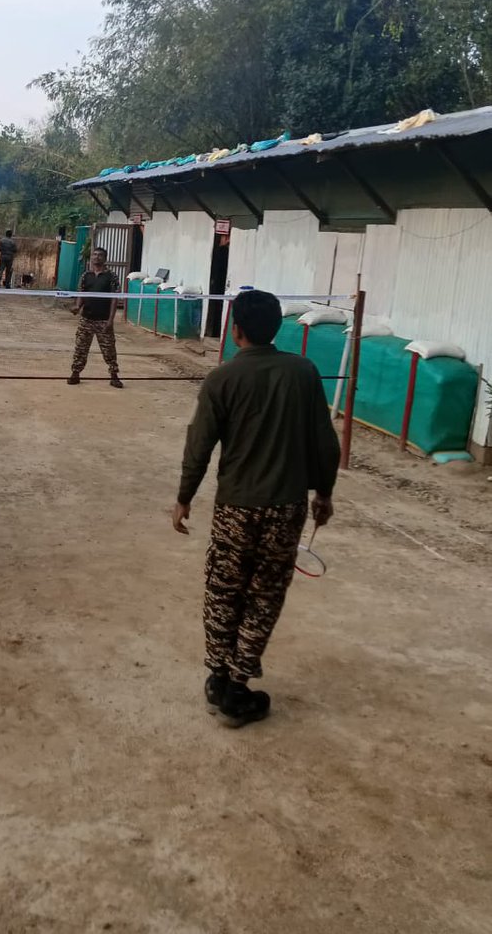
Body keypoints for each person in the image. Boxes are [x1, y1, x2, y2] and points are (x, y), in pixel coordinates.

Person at [171, 289, 340, 728]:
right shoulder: (303, 373)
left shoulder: (222, 379)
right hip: (285, 508)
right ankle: (238, 685)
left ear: (235, 330)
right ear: (277, 327)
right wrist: (323, 493)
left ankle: (218, 677)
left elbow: (199, 445)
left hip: (235, 508)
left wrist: (184, 497)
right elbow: (325, 442)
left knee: (223, 591)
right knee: (264, 596)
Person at [67, 246, 123, 388]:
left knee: (109, 349)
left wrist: (110, 320)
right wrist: (77, 307)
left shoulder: (112, 277)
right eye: (95, 254)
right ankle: (75, 373)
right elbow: (81, 293)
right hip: (86, 319)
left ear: (105, 258)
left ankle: (114, 376)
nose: (97, 257)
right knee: (80, 348)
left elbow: (114, 299)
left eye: (100, 255)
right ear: (91, 258)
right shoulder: (86, 276)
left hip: (103, 320)